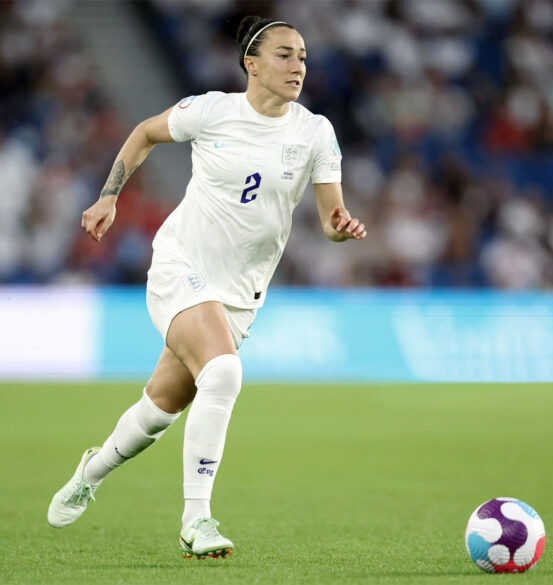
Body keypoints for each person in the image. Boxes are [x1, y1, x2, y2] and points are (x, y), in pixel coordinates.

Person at [47, 15, 367, 559]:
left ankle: (91, 470)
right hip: (181, 264)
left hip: (241, 294)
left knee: (159, 412)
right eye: (285, 55)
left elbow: (331, 215)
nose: (298, 67)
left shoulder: (315, 132)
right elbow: (145, 132)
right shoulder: (212, 111)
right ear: (252, 62)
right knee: (223, 371)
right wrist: (109, 195)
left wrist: (340, 227)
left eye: (304, 57)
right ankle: (197, 520)